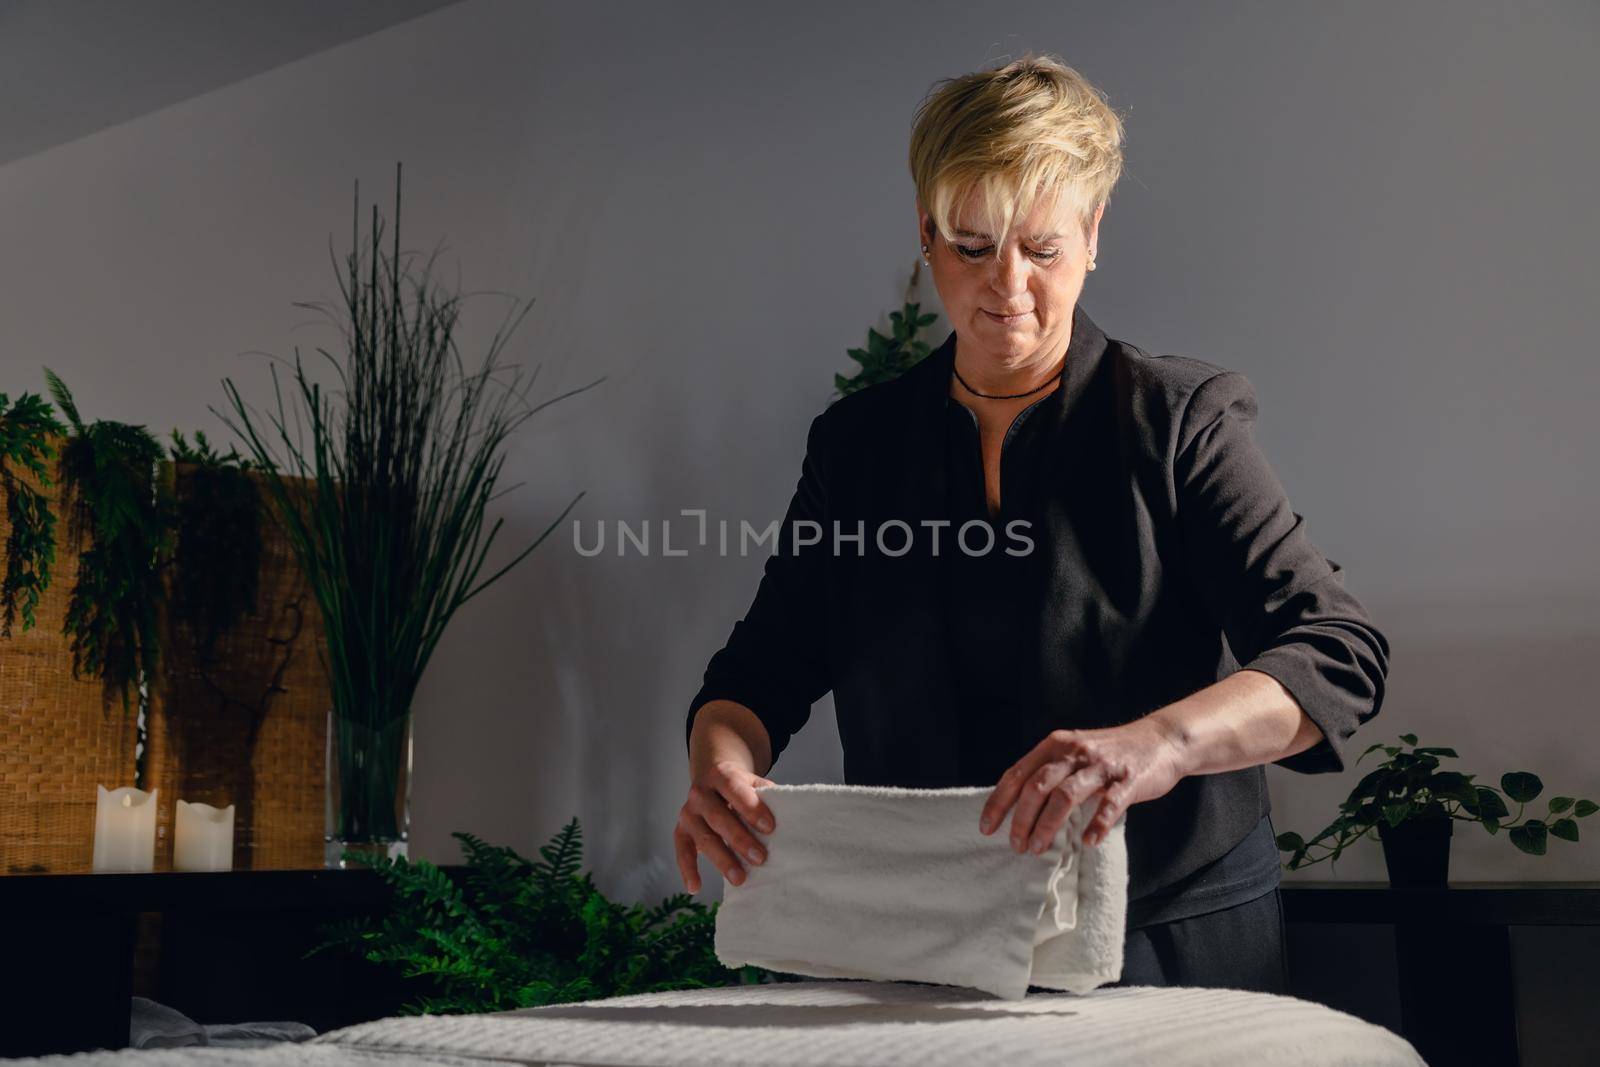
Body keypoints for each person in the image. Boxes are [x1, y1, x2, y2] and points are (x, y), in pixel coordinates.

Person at [675, 54, 1390, 993]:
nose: (1006, 284)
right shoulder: (857, 447)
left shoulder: (1180, 420)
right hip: (923, 936)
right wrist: (720, 767)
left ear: (1093, 235)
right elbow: (761, 671)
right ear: (926, 237)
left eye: (1042, 248)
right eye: (971, 246)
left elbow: (1334, 651)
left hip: (1168, 934)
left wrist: (1157, 745)